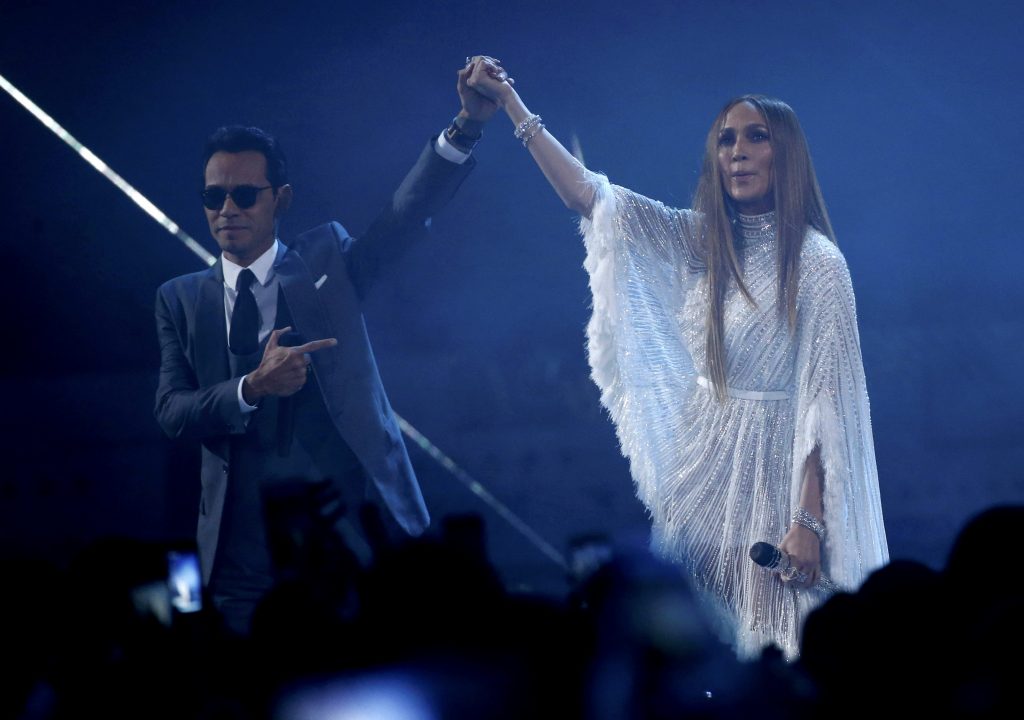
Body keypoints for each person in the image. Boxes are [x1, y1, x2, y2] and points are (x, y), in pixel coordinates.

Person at [463, 56, 889, 659]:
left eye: (755, 137)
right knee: (692, 654)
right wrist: (511, 105)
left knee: (773, 654)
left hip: (777, 482)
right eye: (725, 140)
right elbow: (590, 197)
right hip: (703, 480)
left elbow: (827, 402)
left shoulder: (818, 264)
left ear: (785, 154)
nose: (737, 151)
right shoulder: (701, 242)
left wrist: (809, 521)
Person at [154, 63, 499, 636]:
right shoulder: (179, 300)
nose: (226, 209)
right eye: (213, 196)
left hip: (354, 535)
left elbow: (402, 220)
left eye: (243, 194)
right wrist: (251, 387)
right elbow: (171, 412)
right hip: (243, 552)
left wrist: (464, 128)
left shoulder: (324, 260)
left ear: (280, 198)